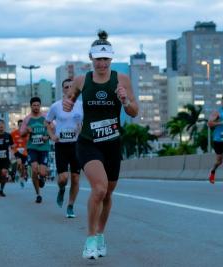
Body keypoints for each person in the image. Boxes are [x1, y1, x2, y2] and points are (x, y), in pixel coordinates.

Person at [63, 30, 138, 259]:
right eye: (98, 59)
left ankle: (100, 235)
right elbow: (70, 98)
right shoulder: (82, 80)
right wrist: (68, 103)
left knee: (107, 195)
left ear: (111, 59)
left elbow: (134, 112)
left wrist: (125, 100)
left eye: (106, 59)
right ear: (91, 59)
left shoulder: (121, 80)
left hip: (112, 144)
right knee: (99, 188)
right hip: (88, 143)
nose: (102, 63)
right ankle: (90, 238)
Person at [46, 78, 83, 218]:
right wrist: (52, 135)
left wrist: (81, 129)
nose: (68, 88)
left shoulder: (80, 105)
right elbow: (47, 122)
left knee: (75, 177)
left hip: (76, 145)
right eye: (66, 87)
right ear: (62, 89)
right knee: (63, 178)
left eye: (71, 86)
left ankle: (70, 205)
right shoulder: (56, 106)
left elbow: (84, 123)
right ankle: (61, 189)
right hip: (61, 145)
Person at [20, 96, 50, 203]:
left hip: (44, 147)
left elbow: (52, 129)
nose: (36, 107)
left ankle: (42, 177)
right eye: (34, 105)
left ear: (40, 106)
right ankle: (38, 194)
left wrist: (47, 136)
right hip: (32, 147)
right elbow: (21, 134)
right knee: (34, 169)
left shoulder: (46, 117)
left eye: (38, 105)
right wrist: (27, 131)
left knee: (42, 172)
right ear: (31, 106)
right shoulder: (27, 119)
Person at [11, 119, 29, 188]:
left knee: (23, 167)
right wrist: (12, 146)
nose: (21, 126)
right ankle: (17, 174)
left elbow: (28, 142)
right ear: (18, 125)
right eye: (20, 125)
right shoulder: (13, 133)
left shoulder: (26, 133)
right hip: (17, 151)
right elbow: (10, 142)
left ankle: (21, 178)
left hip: (24, 151)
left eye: (22, 125)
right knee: (19, 162)